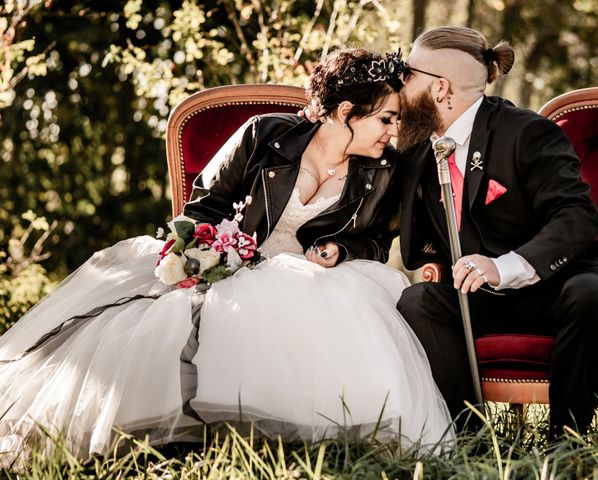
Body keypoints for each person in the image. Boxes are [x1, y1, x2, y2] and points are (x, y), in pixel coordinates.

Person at [0, 47, 453, 464]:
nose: (394, 132)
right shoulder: (266, 134)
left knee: (325, 306)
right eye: (386, 120)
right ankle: (179, 432)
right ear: (346, 112)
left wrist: (343, 249)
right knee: (150, 323)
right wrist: (206, 250)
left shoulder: (384, 170)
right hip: (235, 267)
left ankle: (308, 436)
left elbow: (376, 242)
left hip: (317, 280)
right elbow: (205, 205)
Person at [395, 26, 598, 436]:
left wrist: (503, 266)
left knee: (587, 293)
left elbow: (577, 216)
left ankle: (566, 441)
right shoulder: (416, 146)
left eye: (407, 73)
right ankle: (466, 439)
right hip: (479, 297)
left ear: (440, 88)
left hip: (555, 285)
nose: (399, 83)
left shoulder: (526, 132)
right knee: (418, 300)